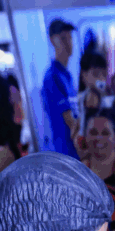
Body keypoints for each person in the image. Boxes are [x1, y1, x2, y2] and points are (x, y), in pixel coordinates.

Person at [41, 18, 79, 158]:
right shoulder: (52, 77)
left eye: (70, 38)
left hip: (74, 149)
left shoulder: (67, 75)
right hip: (66, 151)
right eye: (63, 38)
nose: (68, 43)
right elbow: (69, 120)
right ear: (52, 41)